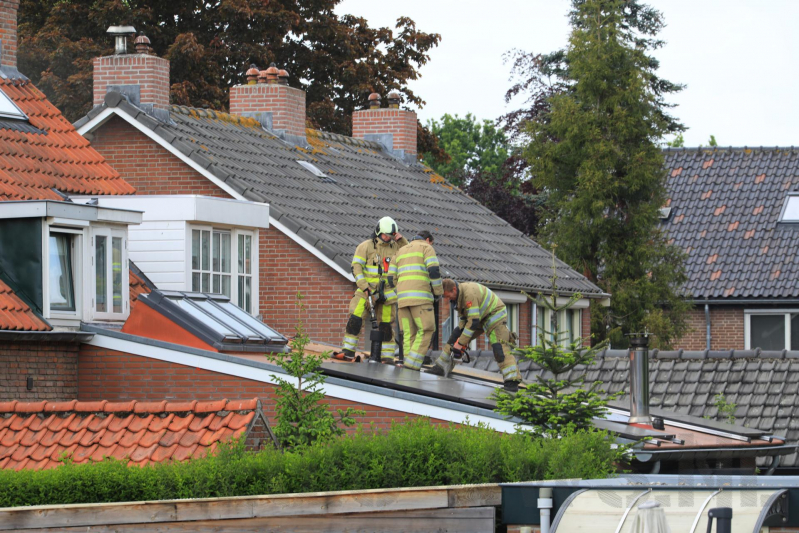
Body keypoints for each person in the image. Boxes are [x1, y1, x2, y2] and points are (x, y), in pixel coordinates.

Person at [428, 278, 522, 392]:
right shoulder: (458, 297)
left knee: (499, 347)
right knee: (455, 336)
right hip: (479, 316)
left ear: (453, 289)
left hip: (494, 315)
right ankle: (441, 367)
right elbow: (465, 320)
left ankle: (512, 381)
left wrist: (461, 343)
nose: (447, 299)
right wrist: (458, 340)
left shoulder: (469, 294)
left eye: (448, 296)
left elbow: (473, 322)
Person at [338, 216, 408, 363]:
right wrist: (364, 287)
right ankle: (348, 350)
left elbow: (409, 253)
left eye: (390, 236)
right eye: (384, 235)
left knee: (386, 326)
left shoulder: (396, 247)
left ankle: (387, 356)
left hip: (388, 294)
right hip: (366, 292)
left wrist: (400, 240)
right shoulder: (365, 247)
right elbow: (356, 268)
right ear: (378, 232)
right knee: (355, 319)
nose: (387, 238)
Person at [388, 230, 443, 370]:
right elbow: (434, 272)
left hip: (402, 302)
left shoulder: (400, 251)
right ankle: (411, 366)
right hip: (421, 300)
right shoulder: (427, 248)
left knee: (408, 333)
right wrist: (438, 293)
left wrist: (400, 292)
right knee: (427, 329)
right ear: (428, 240)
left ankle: (407, 363)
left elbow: (390, 278)